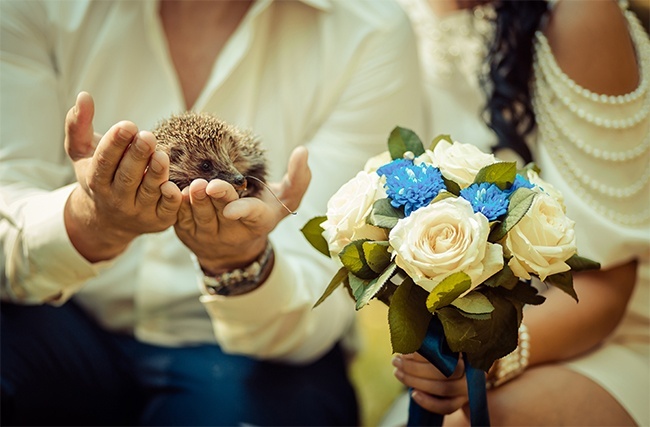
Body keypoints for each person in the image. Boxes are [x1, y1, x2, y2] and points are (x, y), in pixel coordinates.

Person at [0, 1, 424, 425]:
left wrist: (240, 261)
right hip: (62, 318)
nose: (226, 176)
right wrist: (91, 222)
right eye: (205, 168)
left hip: (248, 356)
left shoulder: (370, 28)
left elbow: (325, 290)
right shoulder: (34, 8)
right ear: (176, 156)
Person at [385, 0, 650, 425]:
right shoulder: (386, 16)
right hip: (464, 341)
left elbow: (608, 284)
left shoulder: (580, 14)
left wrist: (482, 361)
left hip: (610, 334)